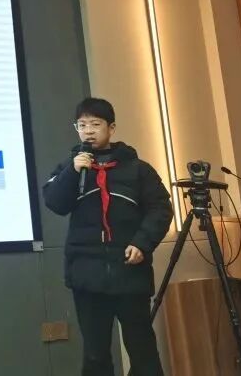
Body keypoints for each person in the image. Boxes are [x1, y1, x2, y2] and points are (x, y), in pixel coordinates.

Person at [43, 97, 173, 376]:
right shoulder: (70, 167)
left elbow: (161, 209)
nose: (88, 131)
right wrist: (72, 172)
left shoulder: (138, 169)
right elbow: (55, 203)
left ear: (111, 128)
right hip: (87, 274)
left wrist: (142, 243)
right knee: (95, 354)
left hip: (130, 271)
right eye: (82, 125)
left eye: (95, 124)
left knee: (143, 350)